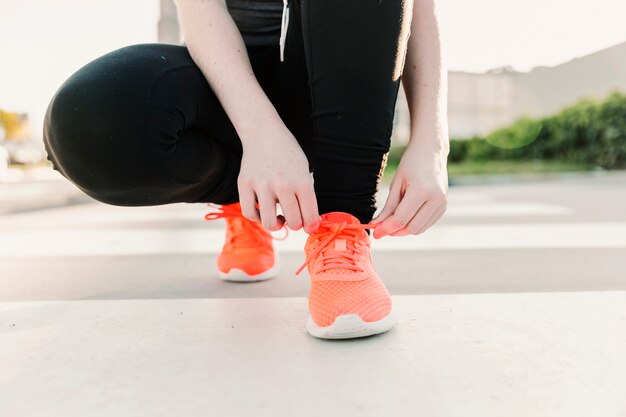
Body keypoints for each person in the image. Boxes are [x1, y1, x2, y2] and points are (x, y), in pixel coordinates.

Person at [42, 0, 450, 339]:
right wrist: (259, 135)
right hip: (231, 93)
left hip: (334, 94)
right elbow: (200, 14)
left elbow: (421, 12)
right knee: (91, 122)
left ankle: (340, 229)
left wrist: (432, 144)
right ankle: (248, 200)